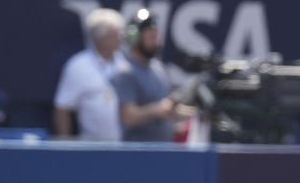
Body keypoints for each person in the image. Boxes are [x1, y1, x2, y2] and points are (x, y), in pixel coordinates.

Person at [110, 9, 194, 141]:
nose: (156, 42)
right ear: (134, 39)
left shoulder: (159, 69)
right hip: (137, 154)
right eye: (151, 37)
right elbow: (128, 117)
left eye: (156, 37)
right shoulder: (126, 73)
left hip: (164, 151)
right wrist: (156, 109)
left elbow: (168, 110)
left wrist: (194, 113)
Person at [53, 8, 129, 141]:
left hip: (126, 146)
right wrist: (64, 144)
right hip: (91, 147)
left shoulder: (126, 63)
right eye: (115, 34)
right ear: (101, 38)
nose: (120, 38)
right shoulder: (78, 66)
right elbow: (62, 108)